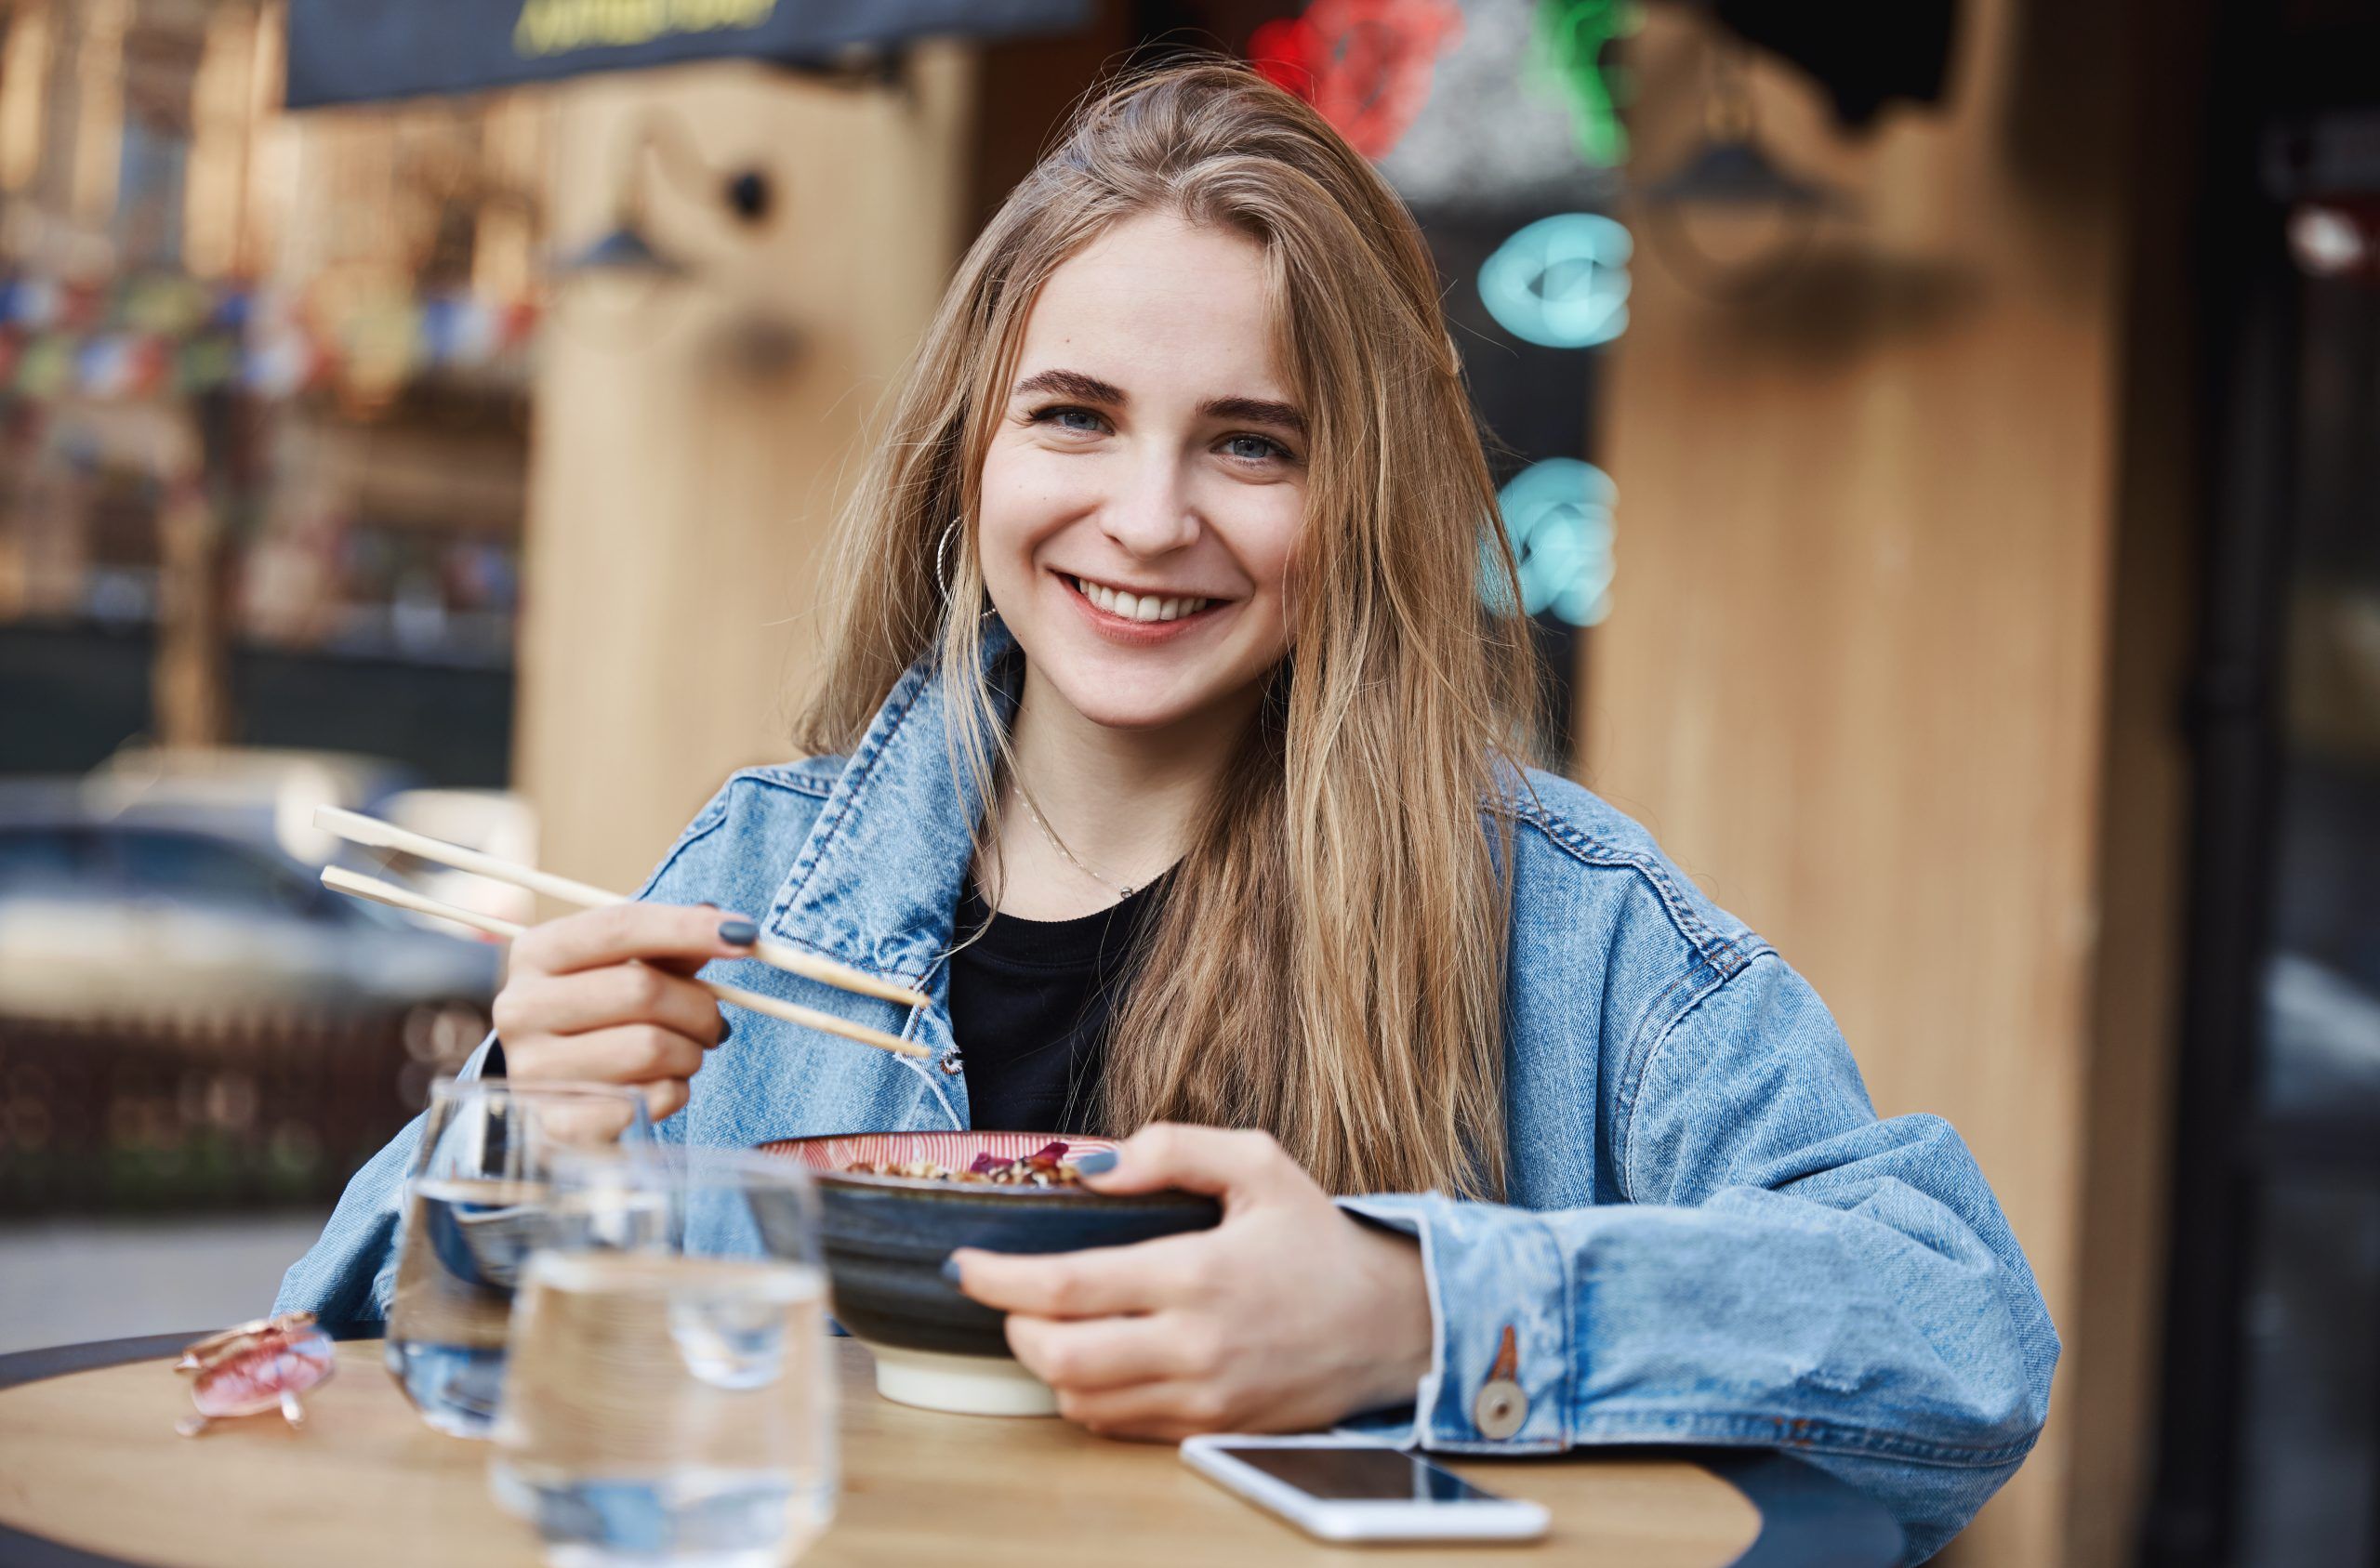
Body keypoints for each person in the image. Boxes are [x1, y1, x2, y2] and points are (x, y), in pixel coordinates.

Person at [278, 59, 2055, 1559]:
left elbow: (1961, 1331)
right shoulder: (759, 875)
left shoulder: (1566, 924)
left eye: (1252, 442)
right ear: (972, 448)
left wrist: (1413, 1306)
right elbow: (310, 1371)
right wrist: (518, 1143)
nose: (1146, 515)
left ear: (1358, 494)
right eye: (1075, 415)